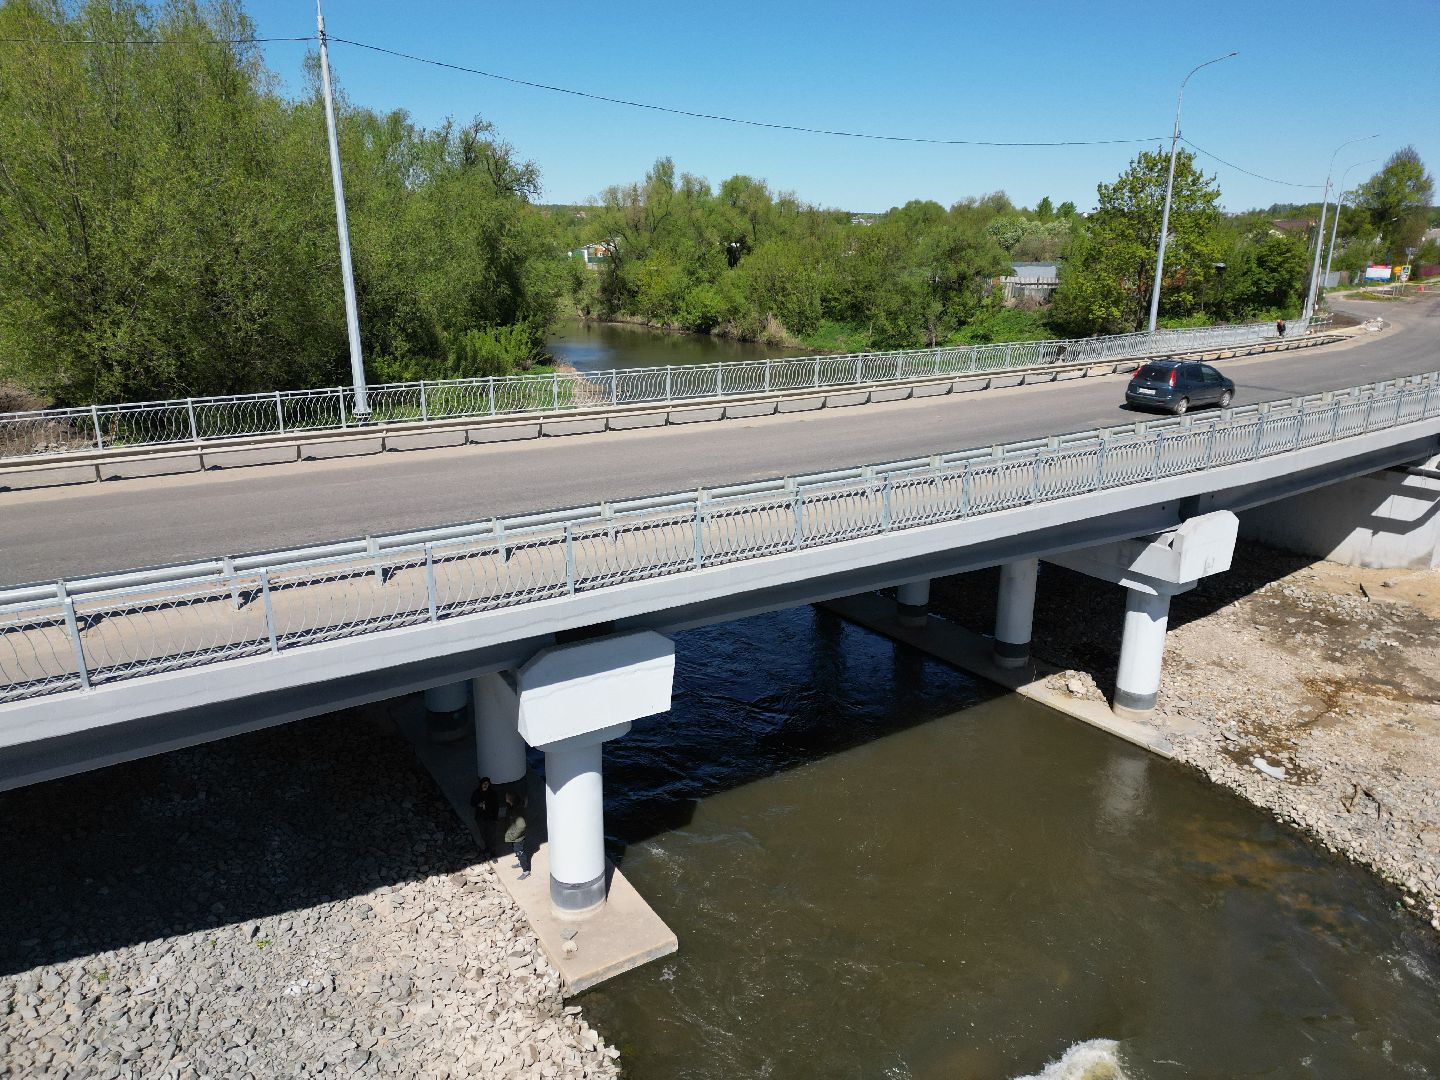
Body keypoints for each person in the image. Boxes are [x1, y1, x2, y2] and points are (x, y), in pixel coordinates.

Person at [469, 776, 499, 859]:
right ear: (481, 784)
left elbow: (496, 806)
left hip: (490, 818)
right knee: (484, 834)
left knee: (491, 835)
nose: (485, 785)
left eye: (487, 784)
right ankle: (488, 848)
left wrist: (495, 818)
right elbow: (472, 803)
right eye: (484, 783)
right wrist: (478, 804)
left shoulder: (492, 794)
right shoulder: (476, 793)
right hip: (480, 818)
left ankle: (493, 852)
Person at [504, 791, 530, 880]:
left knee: (520, 852)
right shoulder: (514, 807)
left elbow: (521, 825)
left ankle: (526, 871)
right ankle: (520, 863)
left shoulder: (517, 810)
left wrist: (512, 836)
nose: (505, 799)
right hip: (516, 836)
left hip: (518, 838)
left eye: (507, 797)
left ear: (510, 799)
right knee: (517, 851)